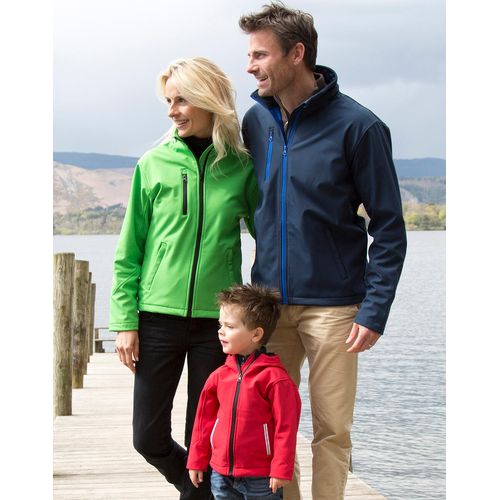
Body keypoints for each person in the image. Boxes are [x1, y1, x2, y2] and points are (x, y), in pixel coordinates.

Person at [238, 3, 407, 499]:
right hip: (268, 305)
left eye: (260, 55)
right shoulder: (256, 122)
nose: (249, 66)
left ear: (297, 54)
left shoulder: (359, 126)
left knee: (332, 429)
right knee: (270, 425)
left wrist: (374, 309)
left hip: (334, 308)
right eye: (248, 55)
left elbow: (390, 228)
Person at [109, 57, 259, 500]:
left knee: (204, 438)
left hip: (218, 324)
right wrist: (125, 321)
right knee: (147, 436)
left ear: (209, 101)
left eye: (181, 101)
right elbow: (129, 252)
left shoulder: (240, 167)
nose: (172, 111)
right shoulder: (153, 164)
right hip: (157, 317)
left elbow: (268, 237)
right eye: (169, 101)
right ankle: (197, 493)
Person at [187, 284, 301, 500]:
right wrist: (196, 460)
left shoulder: (276, 379)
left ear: (256, 334)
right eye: (220, 324)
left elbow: (286, 427)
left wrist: (280, 468)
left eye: (229, 326)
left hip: (261, 477)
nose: (220, 331)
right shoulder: (218, 376)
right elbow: (203, 423)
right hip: (221, 473)